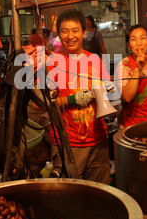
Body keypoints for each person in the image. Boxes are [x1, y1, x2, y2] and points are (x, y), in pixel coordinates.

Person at [46, 10, 113, 184]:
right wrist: (71, 100)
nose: (70, 36)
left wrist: (110, 89)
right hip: (68, 144)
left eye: (75, 30)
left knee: (101, 191)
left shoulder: (95, 60)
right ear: (59, 35)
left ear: (84, 33)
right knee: (71, 195)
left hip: (99, 141)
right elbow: (44, 105)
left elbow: (107, 97)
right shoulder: (52, 62)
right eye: (64, 31)